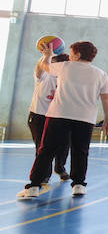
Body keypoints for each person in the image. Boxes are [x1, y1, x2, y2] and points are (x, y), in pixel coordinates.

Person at [18, 41, 108, 199]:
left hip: (59, 115)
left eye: (71, 53)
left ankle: (34, 187)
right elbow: (106, 99)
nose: (69, 56)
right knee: (80, 152)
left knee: (46, 151)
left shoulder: (65, 66)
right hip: (85, 118)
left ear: (77, 55)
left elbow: (45, 66)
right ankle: (78, 185)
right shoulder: (101, 74)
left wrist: (47, 56)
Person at [27, 52, 71, 183]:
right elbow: (39, 66)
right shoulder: (43, 76)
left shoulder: (67, 80)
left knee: (64, 144)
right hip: (39, 116)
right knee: (42, 147)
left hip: (59, 117)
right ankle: (44, 174)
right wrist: (47, 54)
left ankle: (60, 167)